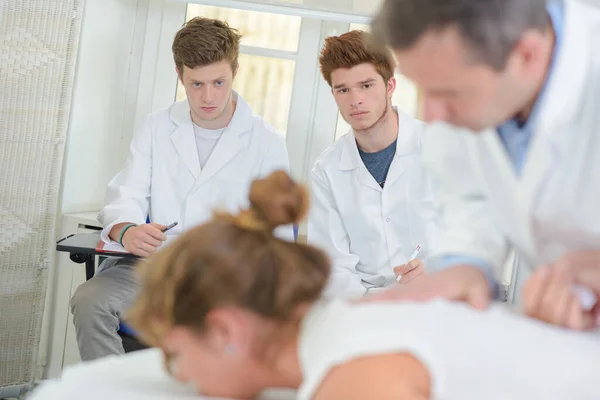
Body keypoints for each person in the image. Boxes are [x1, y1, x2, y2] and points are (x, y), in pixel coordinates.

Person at [33, 171, 599, 400]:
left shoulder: (357, 375)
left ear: (227, 329)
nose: (180, 378)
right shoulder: (334, 329)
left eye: (177, 357)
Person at [69, 17, 293, 361]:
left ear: (235, 70)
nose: (208, 96)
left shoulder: (266, 141)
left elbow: (277, 234)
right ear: (180, 74)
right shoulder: (157, 126)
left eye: (219, 82)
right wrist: (127, 230)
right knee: (89, 301)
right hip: (153, 268)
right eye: (196, 84)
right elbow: (126, 193)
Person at [371, 0, 600, 329]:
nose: (429, 116)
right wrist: (466, 264)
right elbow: (470, 194)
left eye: (449, 94)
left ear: (527, 55)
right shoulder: (475, 80)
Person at [308, 30, 440, 298]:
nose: (355, 100)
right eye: (342, 89)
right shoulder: (326, 171)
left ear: (390, 86)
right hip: (364, 307)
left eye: (366, 86)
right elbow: (333, 267)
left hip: (435, 299)